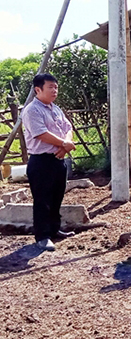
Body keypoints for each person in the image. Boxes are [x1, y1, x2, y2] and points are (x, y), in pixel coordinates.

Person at [21, 73, 76, 251]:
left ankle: (54, 229)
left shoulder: (55, 108)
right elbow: (41, 133)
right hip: (41, 161)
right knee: (42, 199)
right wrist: (63, 144)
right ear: (38, 89)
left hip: (58, 159)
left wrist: (65, 147)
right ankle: (42, 236)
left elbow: (68, 128)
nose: (55, 90)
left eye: (56, 87)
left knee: (57, 197)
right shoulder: (32, 110)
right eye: (50, 87)